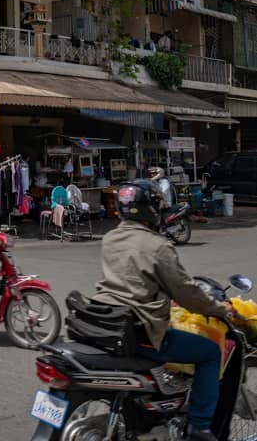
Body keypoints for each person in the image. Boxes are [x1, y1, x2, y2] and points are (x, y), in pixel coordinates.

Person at [94, 180, 232, 441]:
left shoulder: (110, 238)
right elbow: (187, 292)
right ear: (151, 209)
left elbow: (131, 279)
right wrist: (219, 309)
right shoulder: (158, 246)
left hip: (105, 319)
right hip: (140, 328)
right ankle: (199, 427)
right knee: (210, 353)